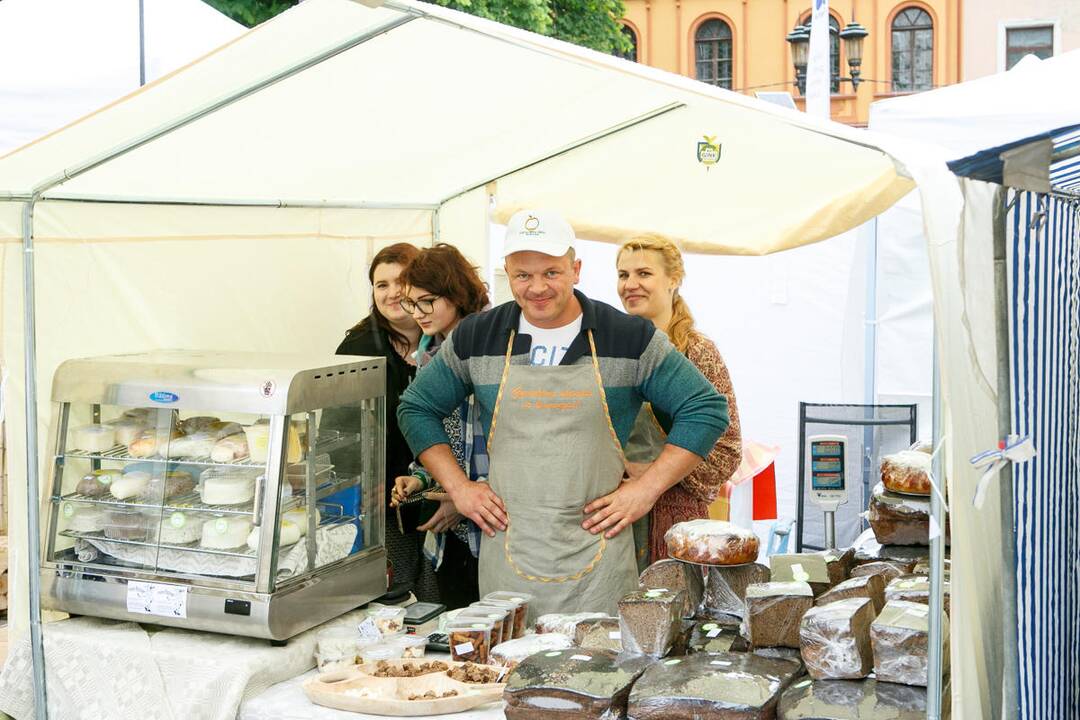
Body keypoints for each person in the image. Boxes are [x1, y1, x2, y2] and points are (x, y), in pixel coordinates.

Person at [397, 210, 729, 617]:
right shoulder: (477, 336)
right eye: (523, 275)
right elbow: (416, 407)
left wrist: (645, 490)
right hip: (509, 552)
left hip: (598, 559)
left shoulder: (627, 337)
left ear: (576, 269)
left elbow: (706, 409)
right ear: (507, 272)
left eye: (551, 273)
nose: (537, 288)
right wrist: (460, 488)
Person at [616, 234, 743, 564]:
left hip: (674, 520)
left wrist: (657, 472)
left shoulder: (697, 352)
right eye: (623, 274)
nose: (631, 284)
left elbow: (728, 450)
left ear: (674, 279)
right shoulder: (608, 351)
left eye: (644, 274)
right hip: (615, 516)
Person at [333, 242, 439, 603]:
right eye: (381, 285)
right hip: (384, 496)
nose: (392, 293)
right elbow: (339, 429)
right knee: (392, 591)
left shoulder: (448, 341)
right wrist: (364, 484)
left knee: (437, 589)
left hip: (443, 489)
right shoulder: (358, 347)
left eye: (401, 281)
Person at [389, 243, 490, 609]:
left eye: (426, 301)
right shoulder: (430, 352)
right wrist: (423, 478)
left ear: (456, 292)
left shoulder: (489, 345)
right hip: (458, 527)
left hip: (494, 519)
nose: (417, 313)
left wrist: (459, 497)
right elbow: (448, 436)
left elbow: (502, 446)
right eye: (411, 303)